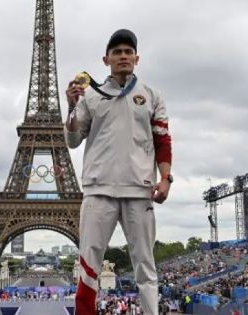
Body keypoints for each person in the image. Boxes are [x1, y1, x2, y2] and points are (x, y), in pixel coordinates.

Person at [64, 29, 173, 315]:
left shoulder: (152, 96)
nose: (123, 56)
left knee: (145, 267)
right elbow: (74, 141)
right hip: (99, 189)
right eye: (117, 52)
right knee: (89, 265)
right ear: (106, 60)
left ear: (136, 58)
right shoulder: (90, 97)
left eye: (128, 51)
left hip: (139, 189)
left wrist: (165, 177)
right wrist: (72, 107)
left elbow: (163, 140)